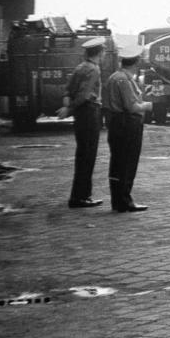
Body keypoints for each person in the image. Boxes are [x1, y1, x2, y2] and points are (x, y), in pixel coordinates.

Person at [103, 51, 153, 213]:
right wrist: (148, 105)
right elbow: (132, 106)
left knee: (117, 163)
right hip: (127, 124)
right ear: (136, 62)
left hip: (116, 123)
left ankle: (117, 200)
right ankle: (125, 201)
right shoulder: (124, 80)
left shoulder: (114, 77)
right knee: (128, 163)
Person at [60, 37, 106, 207]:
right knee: (88, 155)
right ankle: (80, 197)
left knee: (82, 155)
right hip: (89, 113)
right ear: (100, 53)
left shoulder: (80, 68)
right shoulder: (94, 70)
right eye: (103, 52)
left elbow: (68, 90)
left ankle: (80, 195)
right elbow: (84, 95)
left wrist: (67, 105)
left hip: (81, 116)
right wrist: (69, 108)